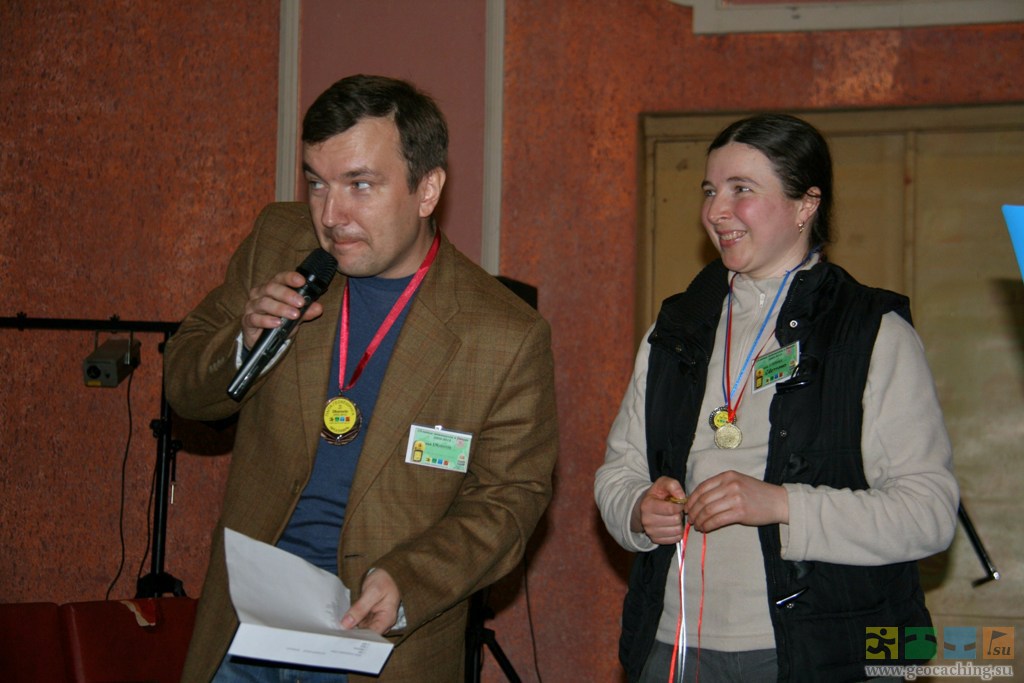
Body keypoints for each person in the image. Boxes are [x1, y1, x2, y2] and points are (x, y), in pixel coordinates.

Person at [164, 74, 559, 682]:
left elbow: (510, 500)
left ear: (427, 190)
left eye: (360, 185)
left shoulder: (503, 334)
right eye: (317, 183)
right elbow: (184, 386)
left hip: (382, 645)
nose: (330, 216)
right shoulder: (279, 241)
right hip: (245, 630)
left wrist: (410, 579)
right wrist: (243, 341)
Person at [594, 113, 958, 683]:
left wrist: (783, 505)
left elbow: (929, 514)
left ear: (805, 205)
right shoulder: (674, 330)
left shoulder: (871, 332)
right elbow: (617, 474)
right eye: (710, 191)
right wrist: (639, 510)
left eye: (741, 190)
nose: (716, 211)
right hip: (673, 644)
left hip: (815, 651)